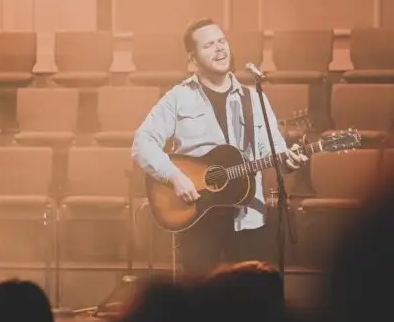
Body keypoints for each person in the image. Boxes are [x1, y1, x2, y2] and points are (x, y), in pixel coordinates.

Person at [131, 19, 308, 275]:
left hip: (247, 218)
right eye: (209, 45)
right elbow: (142, 143)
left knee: (250, 299)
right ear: (192, 57)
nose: (219, 49)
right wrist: (175, 178)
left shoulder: (254, 98)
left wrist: (287, 161)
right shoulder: (178, 98)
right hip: (198, 218)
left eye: (222, 41)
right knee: (200, 302)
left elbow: (272, 150)